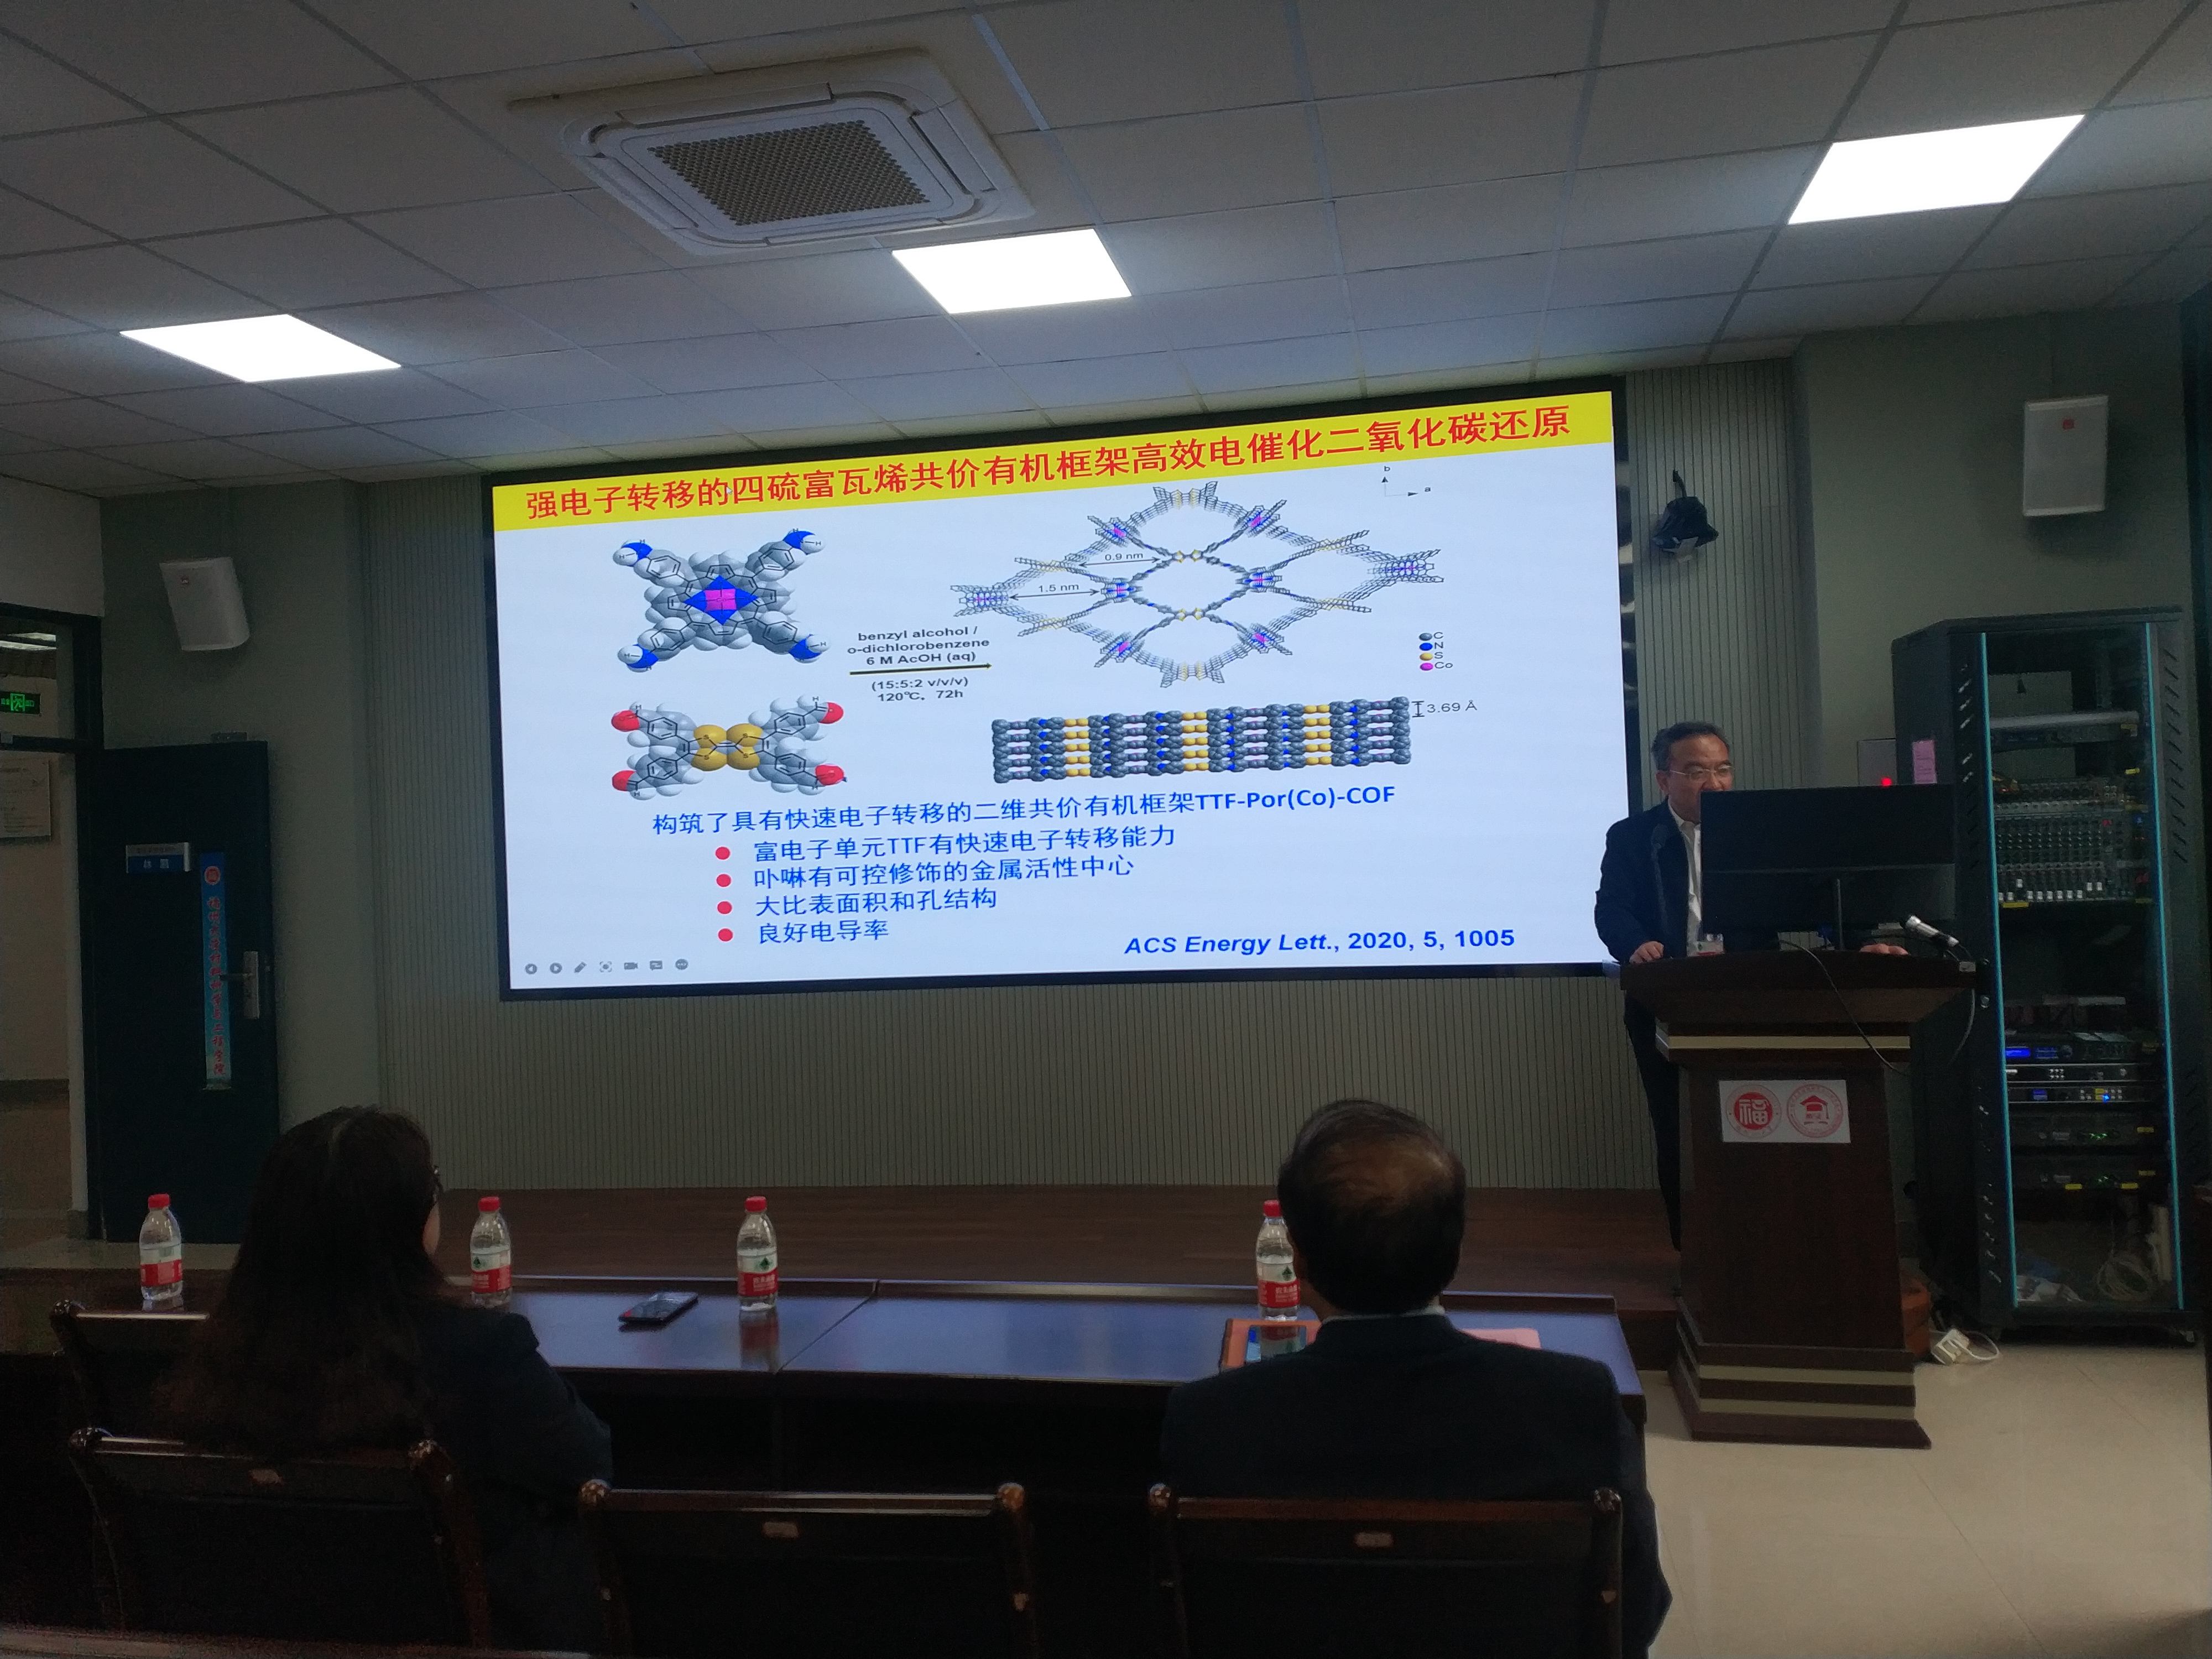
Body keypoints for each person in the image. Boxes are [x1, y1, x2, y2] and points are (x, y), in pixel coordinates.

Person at [1161, 1100, 1668, 1658]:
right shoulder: (1575, 1403)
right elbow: (1635, 1611)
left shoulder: (1207, 1420)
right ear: (1455, 1250)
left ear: (1296, 1260)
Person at [161, 1108, 611, 1651]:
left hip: (269, 1632)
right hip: (459, 1633)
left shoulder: (220, 1354)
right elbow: (589, 1468)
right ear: (407, 1222)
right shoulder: (481, 1350)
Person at [1594, 723, 1903, 1247]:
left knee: (1755, 1117)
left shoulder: (1761, 831)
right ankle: (1694, 1249)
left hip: (1751, 996)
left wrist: (1862, 943)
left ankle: (1769, 1241)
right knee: (1677, 1125)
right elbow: (1612, 910)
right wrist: (1636, 944)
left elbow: (1815, 898)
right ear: (1665, 780)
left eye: (1723, 770)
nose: (1714, 783)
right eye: (1697, 771)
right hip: (1667, 998)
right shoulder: (1633, 837)